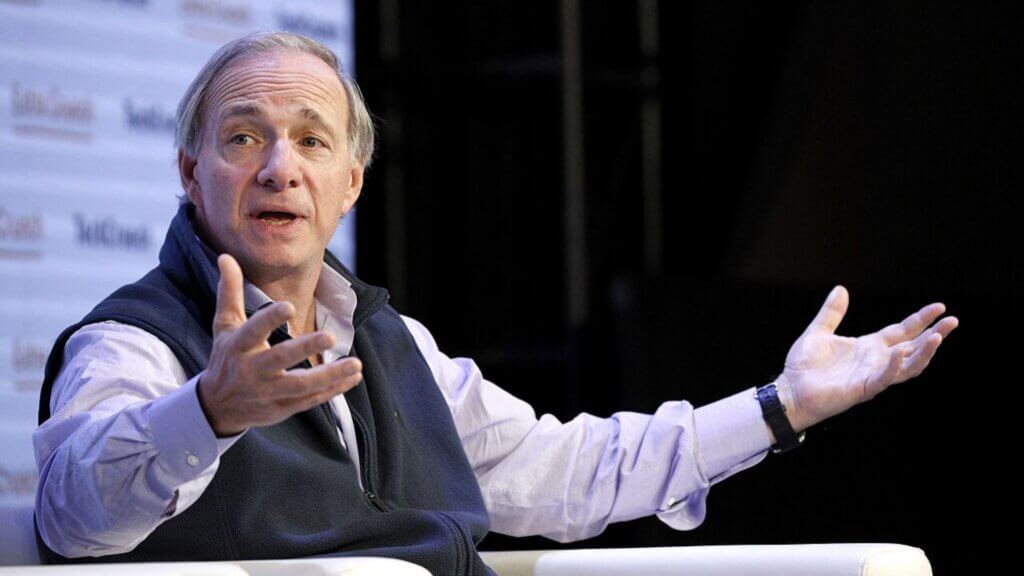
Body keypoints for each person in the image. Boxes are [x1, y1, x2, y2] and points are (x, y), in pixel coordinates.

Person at [32, 31, 958, 575]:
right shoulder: (133, 341)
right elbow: (71, 515)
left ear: (351, 182)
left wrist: (782, 406)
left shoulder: (391, 340)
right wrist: (207, 412)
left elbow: (567, 470)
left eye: (312, 141)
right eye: (244, 137)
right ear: (190, 172)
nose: (280, 167)